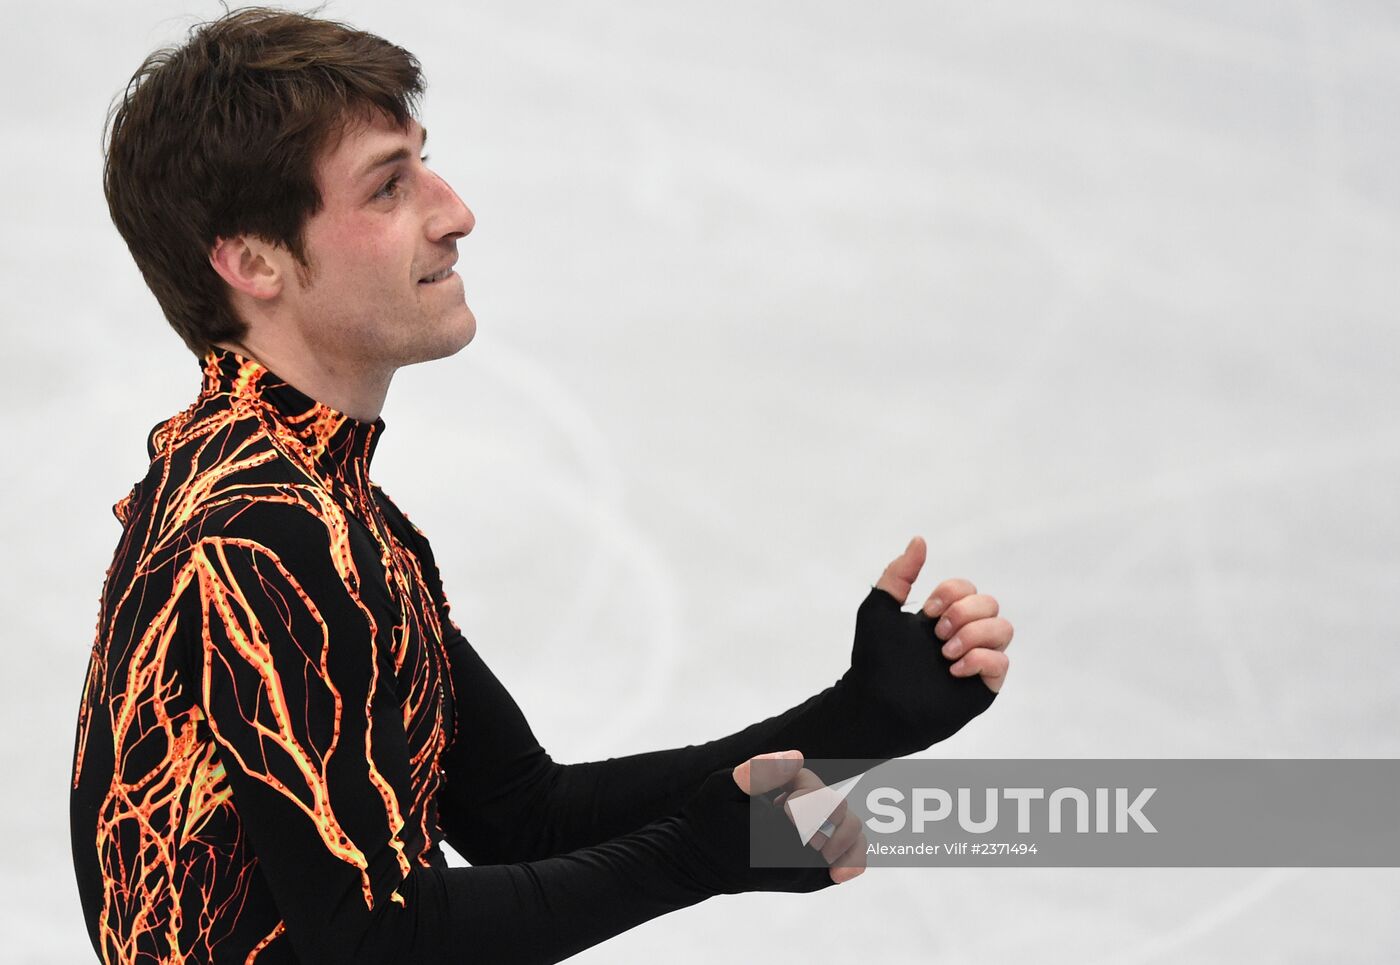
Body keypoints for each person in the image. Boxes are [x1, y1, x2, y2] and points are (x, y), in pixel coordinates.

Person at [69, 8, 1015, 963]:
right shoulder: (258, 532)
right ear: (253, 261)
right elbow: (371, 941)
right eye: (390, 186)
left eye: (424, 164)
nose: (454, 211)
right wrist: (693, 857)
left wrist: (859, 721)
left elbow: (523, 814)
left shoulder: (313, 497)